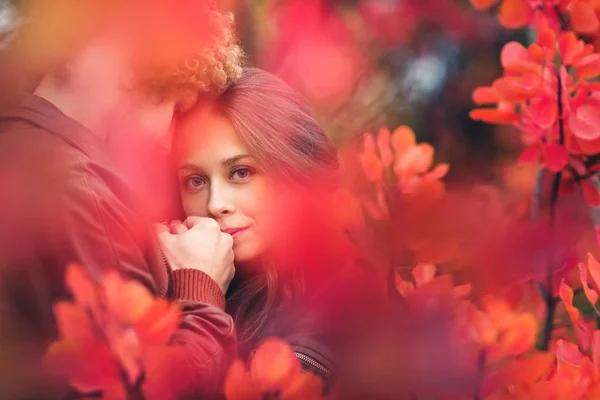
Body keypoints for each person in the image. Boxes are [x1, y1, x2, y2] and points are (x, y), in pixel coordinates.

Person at [0, 2, 242, 399]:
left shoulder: (17, 148)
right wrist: (200, 286)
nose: (167, 139)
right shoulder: (80, 193)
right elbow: (146, 389)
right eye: (175, 106)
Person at [160, 68, 371, 392]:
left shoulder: (335, 320)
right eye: (195, 181)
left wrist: (197, 294)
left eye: (241, 172)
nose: (216, 204)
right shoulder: (201, 282)